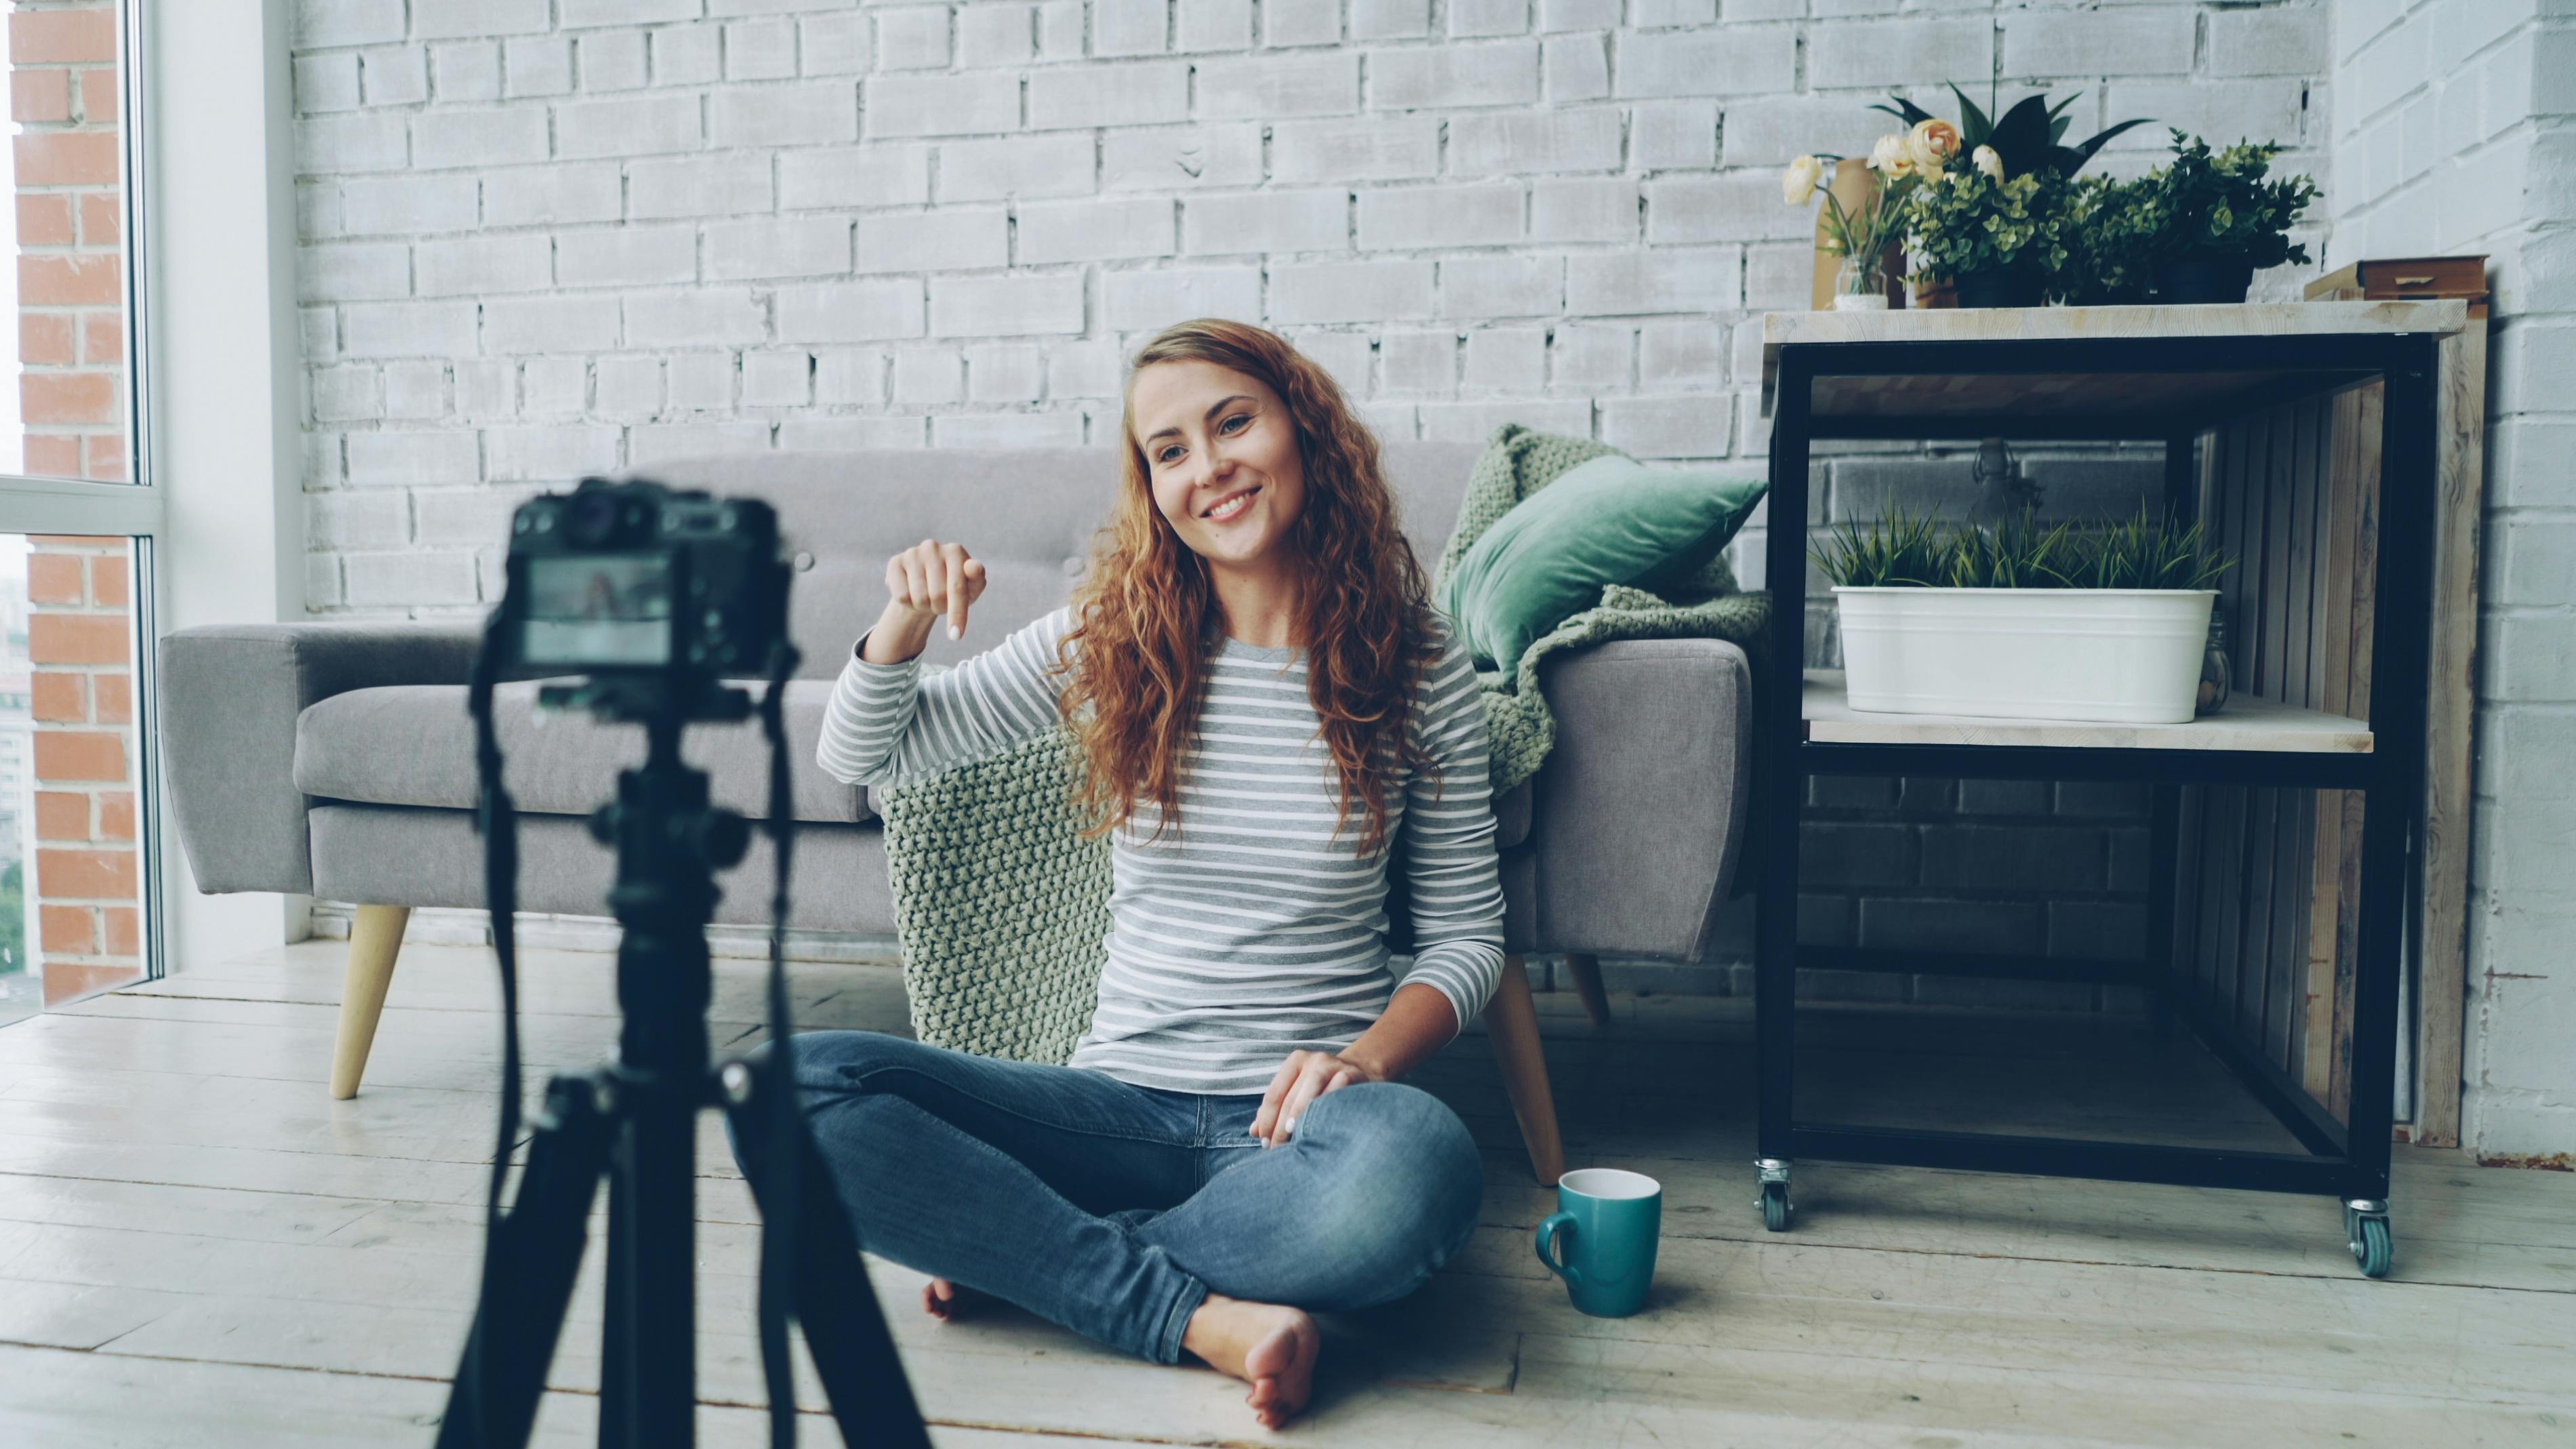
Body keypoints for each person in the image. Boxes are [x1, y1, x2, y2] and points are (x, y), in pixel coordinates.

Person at [744, 318, 1504, 1431]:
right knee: (784, 1091)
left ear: (1304, 424)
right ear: (1152, 489)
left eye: (1232, 421)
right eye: (1171, 451)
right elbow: (861, 757)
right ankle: (1200, 1314)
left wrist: (1364, 1058)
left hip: (1299, 1138)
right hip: (1109, 1114)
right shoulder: (1113, 642)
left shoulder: (1415, 662)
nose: (1210, 468)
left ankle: (1031, 1260)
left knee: (1422, 1170)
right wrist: (901, 617)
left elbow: (1465, 939)